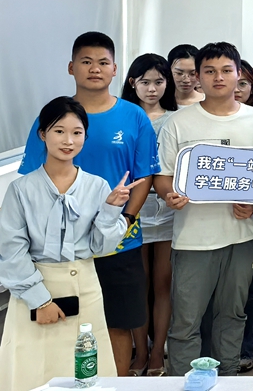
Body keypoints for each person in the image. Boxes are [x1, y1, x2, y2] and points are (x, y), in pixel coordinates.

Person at [17, 32, 159, 378]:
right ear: (71, 67)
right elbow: (34, 178)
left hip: (118, 240)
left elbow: (144, 176)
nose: (95, 69)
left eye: (102, 62)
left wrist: (125, 219)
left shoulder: (134, 116)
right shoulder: (53, 116)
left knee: (117, 323)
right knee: (66, 325)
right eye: (86, 61)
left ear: (115, 70)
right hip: (60, 249)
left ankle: (117, 383)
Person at [0, 97, 141, 391]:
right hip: (34, 289)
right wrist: (40, 300)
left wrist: (112, 209)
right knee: (32, 370)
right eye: (59, 131)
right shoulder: (20, 189)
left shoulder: (97, 186)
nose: (68, 141)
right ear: (43, 134)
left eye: (77, 133)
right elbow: (11, 250)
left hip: (85, 285)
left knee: (86, 370)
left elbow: (101, 247)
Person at [154, 42, 253, 376]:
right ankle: (184, 381)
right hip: (193, 238)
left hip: (241, 236)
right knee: (186, 320)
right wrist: (169, 195)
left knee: (233, 315)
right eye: (209, 71)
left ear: (239, 74)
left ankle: (228, 378)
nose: (218, 77)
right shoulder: (179, 123)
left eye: (226, 70)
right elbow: (162, 177)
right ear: (198, 77)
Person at [121, 54, 177, 378]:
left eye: (159, 81)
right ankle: (139, 351)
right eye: (145, 82)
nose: (152, 89)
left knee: (163, 284)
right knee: (138, 284)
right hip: (132, 209)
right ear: (133, 83)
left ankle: (158, 352)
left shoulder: (176, 118)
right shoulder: (124, 116)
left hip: (169, 209)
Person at [233, 60, 253, 375]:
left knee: (248, 285)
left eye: (244, 83)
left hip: (251, 213)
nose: (237, 88)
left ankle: (245, 349)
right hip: (204, 219)